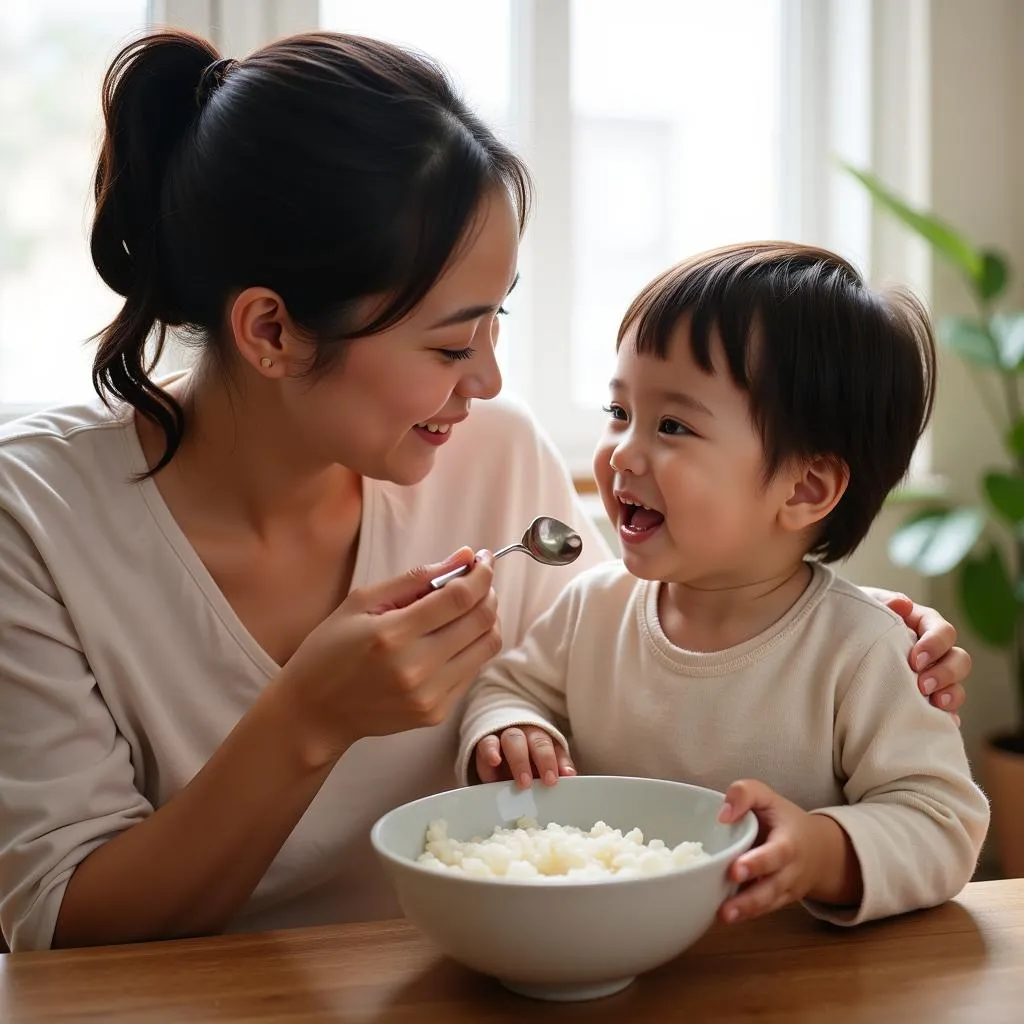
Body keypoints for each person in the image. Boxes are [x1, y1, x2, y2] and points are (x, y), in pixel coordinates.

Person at [0, 31, 968, 954]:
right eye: (451, 343)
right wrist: (307, 721)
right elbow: (58, 927)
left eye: (497, 321)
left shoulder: (488, 452)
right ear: (271, 331)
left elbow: (618, 668)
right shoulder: (35, 515)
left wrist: (818, 621)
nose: (490, 381)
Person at [460, 243, 989, 928]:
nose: (622, 451)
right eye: (619, 412)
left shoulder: (862, 653)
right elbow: (509, 685)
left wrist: (822, 851)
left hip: (786, 980)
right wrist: (511, 726)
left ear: (804, 487)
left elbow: (942, 823)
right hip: (607, 951)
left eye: (672, 425)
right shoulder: (595, 608)